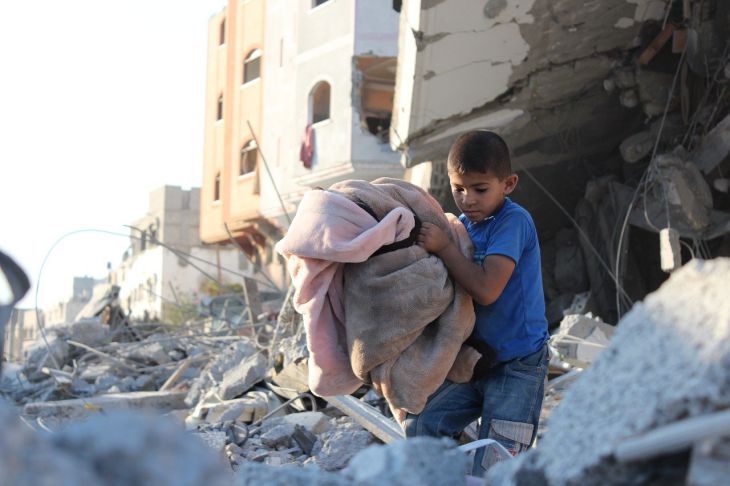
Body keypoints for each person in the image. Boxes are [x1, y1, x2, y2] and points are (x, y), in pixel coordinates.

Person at [405, 130, 550, 475]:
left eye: (480, 189)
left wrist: (444, 248)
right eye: (459, 189)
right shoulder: (462, 227)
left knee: (497, 464)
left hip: (518, 364)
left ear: (508, 184)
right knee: (422, 426)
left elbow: (486, 290)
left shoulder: (513, 222)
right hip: (475, 360)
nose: (468, 199)